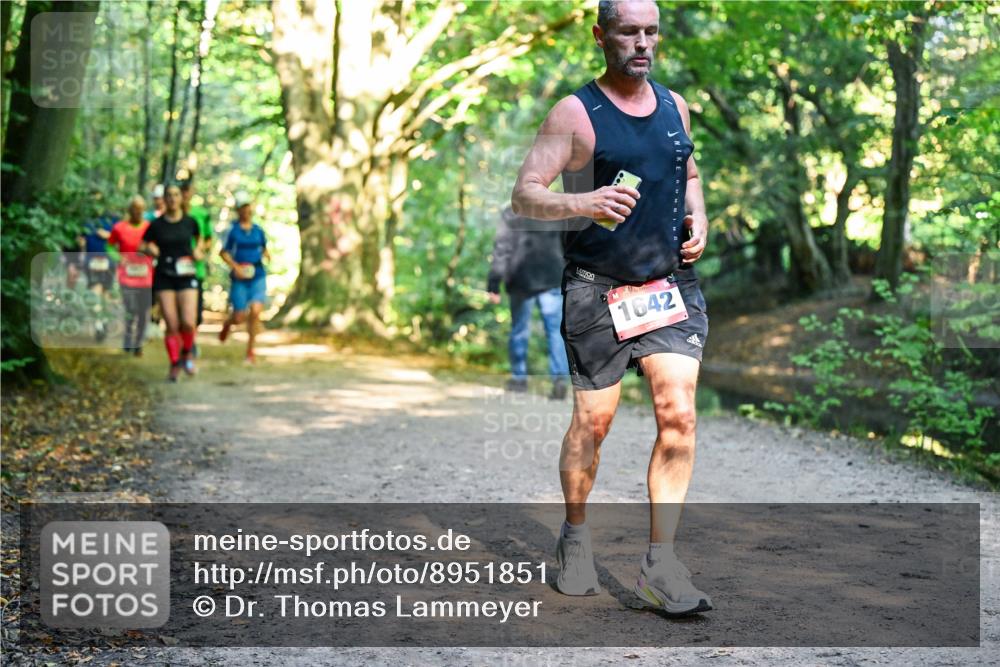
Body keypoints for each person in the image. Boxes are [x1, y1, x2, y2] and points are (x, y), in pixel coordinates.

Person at [510, 0, 712, 616]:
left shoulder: (675, 107)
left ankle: (662, 563)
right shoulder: (574, 113)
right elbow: (525, 195)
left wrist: (699, 217)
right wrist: (584, 202)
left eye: (651, 31)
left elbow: (691, 175)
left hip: (668, 288)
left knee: (678, 416)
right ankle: (575, 535)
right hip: (598, 291)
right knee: (592, 427)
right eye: (629, 31)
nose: (642, 43)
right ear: (602, 35)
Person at [487, 205, 569, 399]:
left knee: (519, 330)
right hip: (553, 276)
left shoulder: (511, 212)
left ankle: (519, 379)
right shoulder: (557, 208)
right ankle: (559, 381)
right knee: (556, 332)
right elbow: (569, 245)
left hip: (520, 279)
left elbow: (502, 247)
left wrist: (493, 283)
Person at [141, 184, 203, 382]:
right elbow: (143, 243)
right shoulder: (157, 224)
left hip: (186, 274)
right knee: (172, 324)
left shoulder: (190, 222)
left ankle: (187, 353)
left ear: (181, 198)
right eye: (169, 195)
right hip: (164, 275)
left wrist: (199, 251)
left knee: (188, 322)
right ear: (164, 199)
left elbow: (200, 239)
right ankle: (175, 363)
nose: (173, 198)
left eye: (176, 195)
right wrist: (150, 248)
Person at [218, 191, 270, 364]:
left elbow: (264, 248)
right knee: (240, 316)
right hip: (239, 277)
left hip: (258, 275)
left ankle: (250, 351)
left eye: (248, 207)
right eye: (243, 208)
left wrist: (267, 255)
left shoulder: (258, 230)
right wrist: (236, 267)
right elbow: (223, 253)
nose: (246, 211)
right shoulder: (233, 231)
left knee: (255, 311)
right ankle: (228, 323)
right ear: (238, 210)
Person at [107, 195, 153, 356]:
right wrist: (120, 258)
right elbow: (109, 247)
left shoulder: (149, 227)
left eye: (141, 209)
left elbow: (157, 247)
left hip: (146, 277)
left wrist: (151, 251)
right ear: (129, 210)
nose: (138, 212)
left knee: (143, 312)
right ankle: (127, 340)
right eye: (135, 208)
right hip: (126, 276)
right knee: (130, 309)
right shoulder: (119, 227)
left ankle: (138, 343)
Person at [180, 178, 213, 356]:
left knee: (196, 313)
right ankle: (182, 344)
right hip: (174, 270)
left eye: (187, 191)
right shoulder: (169, 215)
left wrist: (201, 250)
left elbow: (208, 238)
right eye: (182, 191)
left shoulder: (201, 214)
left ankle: (190, 341)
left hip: (195, 269)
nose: (185, 195)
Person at [80, 193, 116, 342]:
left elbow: (118, 239)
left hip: (108, 262)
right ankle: (99, 324)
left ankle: (104, 322)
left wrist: (108, 235)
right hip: (91, 262)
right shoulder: (87, 221)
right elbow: (81, 239)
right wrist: (81, 255)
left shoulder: (113, 220)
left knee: (106, 295)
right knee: (94, 294)